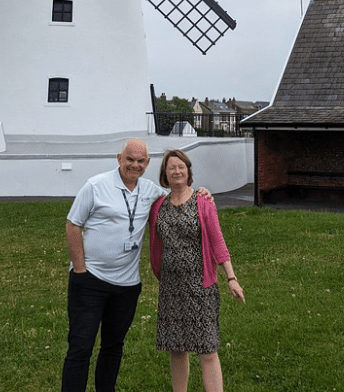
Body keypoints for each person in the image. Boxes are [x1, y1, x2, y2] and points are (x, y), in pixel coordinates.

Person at [62, 138, 210, 392]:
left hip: (127, 286)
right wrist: (80, 269)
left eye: (141, 161)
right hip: (90, 280)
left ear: (147, 163)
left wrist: (201, 194)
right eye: (130, 159)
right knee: (81, 346)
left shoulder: (150, 190)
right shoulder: (95, 186)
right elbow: (73, 224)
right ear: (119, 158)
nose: (135, 165)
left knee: (113, 346)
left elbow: (178, 195)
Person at [149, 149, 245, 392]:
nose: (177, 171)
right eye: (172, 168)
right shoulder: (158, 205)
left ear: (188, 171)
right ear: (165, 174)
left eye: (181, 167)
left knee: (207, 349)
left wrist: (231, 278)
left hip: (200, 288)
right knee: (177, 348)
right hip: (171, 288)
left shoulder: (203, 202)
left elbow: (217, 241)